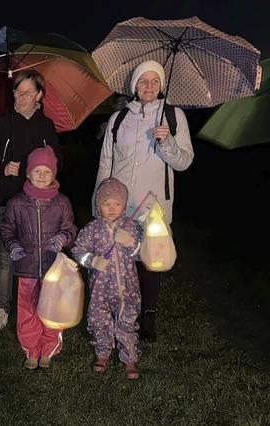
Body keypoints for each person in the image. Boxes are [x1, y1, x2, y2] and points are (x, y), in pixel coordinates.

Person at [94, 60, 194, 341]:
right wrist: (97, 202)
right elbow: (106, 163)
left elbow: (185, 162)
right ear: (134, 86)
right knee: (123, 262)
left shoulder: (173, 117)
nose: (148, 86)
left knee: (151, 262)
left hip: (155, 208)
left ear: (161, 85)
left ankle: (148, 315)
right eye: (143, 81)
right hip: (121, 207)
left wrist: (168, 143)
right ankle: (124, 312)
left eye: (154, 81)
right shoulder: (119, 119)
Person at [0, 69, 61, 333]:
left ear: (39, 95)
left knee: (38, 256)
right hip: (4, 204)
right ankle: (3, 308)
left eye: (26, 92)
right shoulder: (0, 125)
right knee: (6, 257)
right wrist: (2, 168)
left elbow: (56, 165)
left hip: (38, 206)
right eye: (16, 91)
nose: (19, 97)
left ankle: (39, 306)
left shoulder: (46, 128)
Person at [0, 146, 76, 369]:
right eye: (37, 171)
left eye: (47, 171)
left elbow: (71, 229)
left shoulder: (62, 202)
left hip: (54, 269)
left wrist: (63, 238)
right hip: (27, 268)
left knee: (53, 312)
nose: (42, 176)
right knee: (28, 310)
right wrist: (13, 245)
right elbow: (7, 230)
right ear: (27, 173)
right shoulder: (16, 203)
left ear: (54, 174)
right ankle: (31, 350)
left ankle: (49, 349)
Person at [72, 178, 142, 379]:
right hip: (100, 289)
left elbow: (142, 253)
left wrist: (130, 242)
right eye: (106, 204)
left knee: (127, 320)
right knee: (99, 319)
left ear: (124, 205)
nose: (112, 208)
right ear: (98, 205)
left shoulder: (132, 227)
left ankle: (130, 358)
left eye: (117, 204)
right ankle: (102, 353)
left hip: (126, 287)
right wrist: (92, 261)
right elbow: (78, 250)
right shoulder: (92, 229)